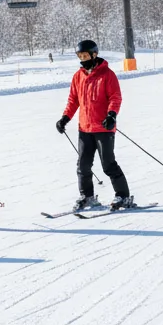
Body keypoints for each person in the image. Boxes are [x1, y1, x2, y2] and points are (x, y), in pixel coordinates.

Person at [55, 40, 134, 212]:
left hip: (104, 128)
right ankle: (87, 197)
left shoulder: (107, 75)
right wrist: (65, 118)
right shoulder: (78, 76)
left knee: (108, 164)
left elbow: (115, 97)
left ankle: (123, 195)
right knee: (83, 166)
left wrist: (111, 115)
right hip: (85, 128)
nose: (82, 59)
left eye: (85, 56)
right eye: (80, 56)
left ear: (94, 54)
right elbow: (73, 100)